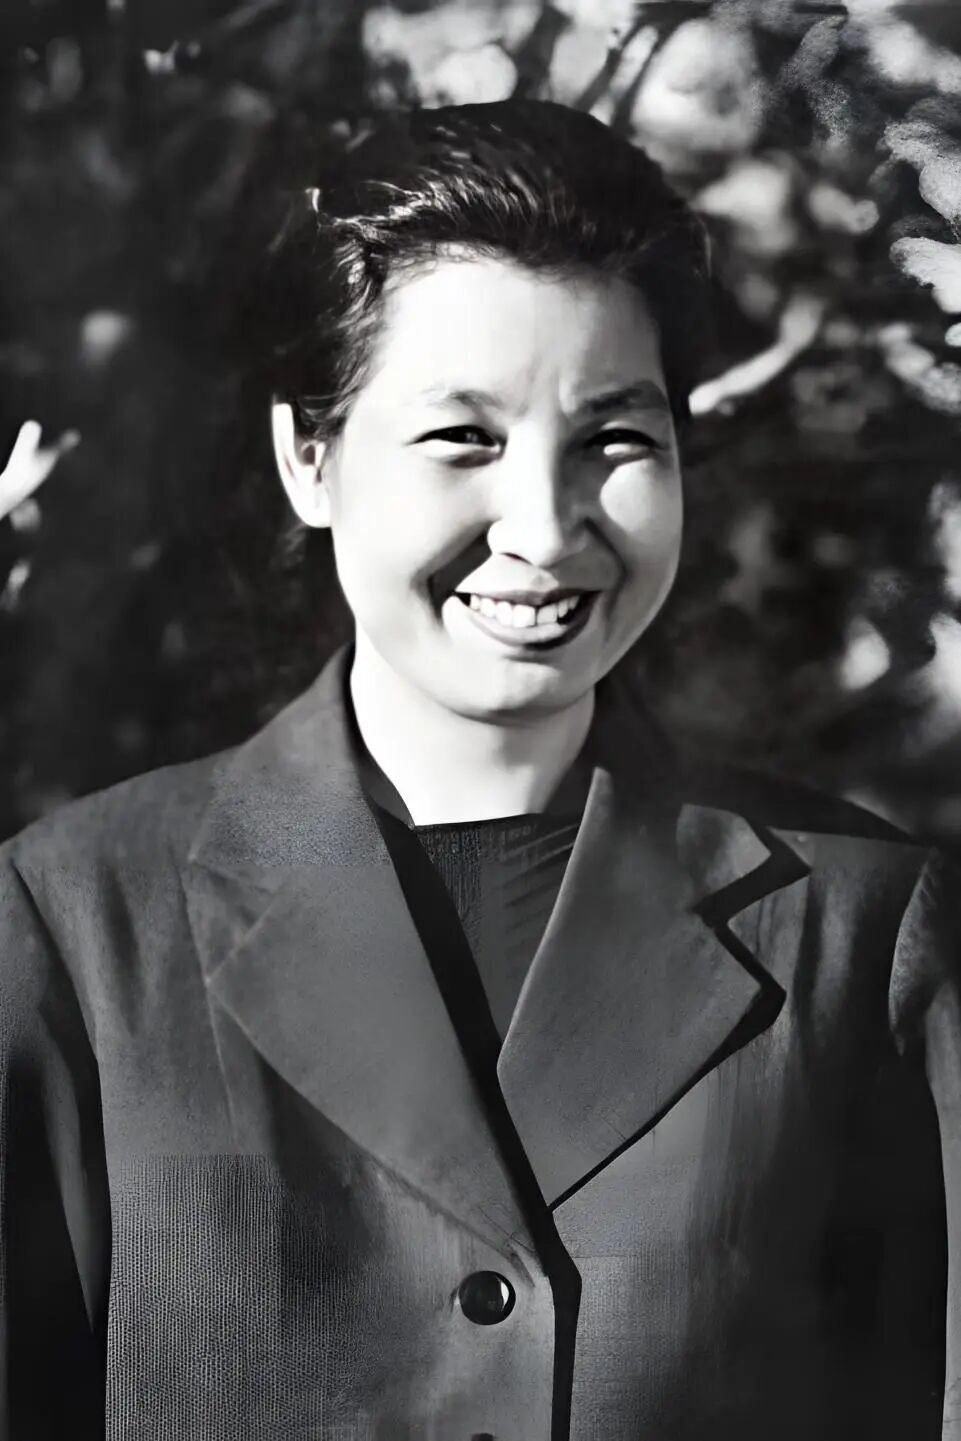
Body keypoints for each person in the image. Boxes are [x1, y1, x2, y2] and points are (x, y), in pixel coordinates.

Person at [0, 99, 956, 1441]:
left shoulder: (866, 931)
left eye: (615, 439)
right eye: (463, 438)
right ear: (309, 458)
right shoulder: (77, 923)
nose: (546, 529)